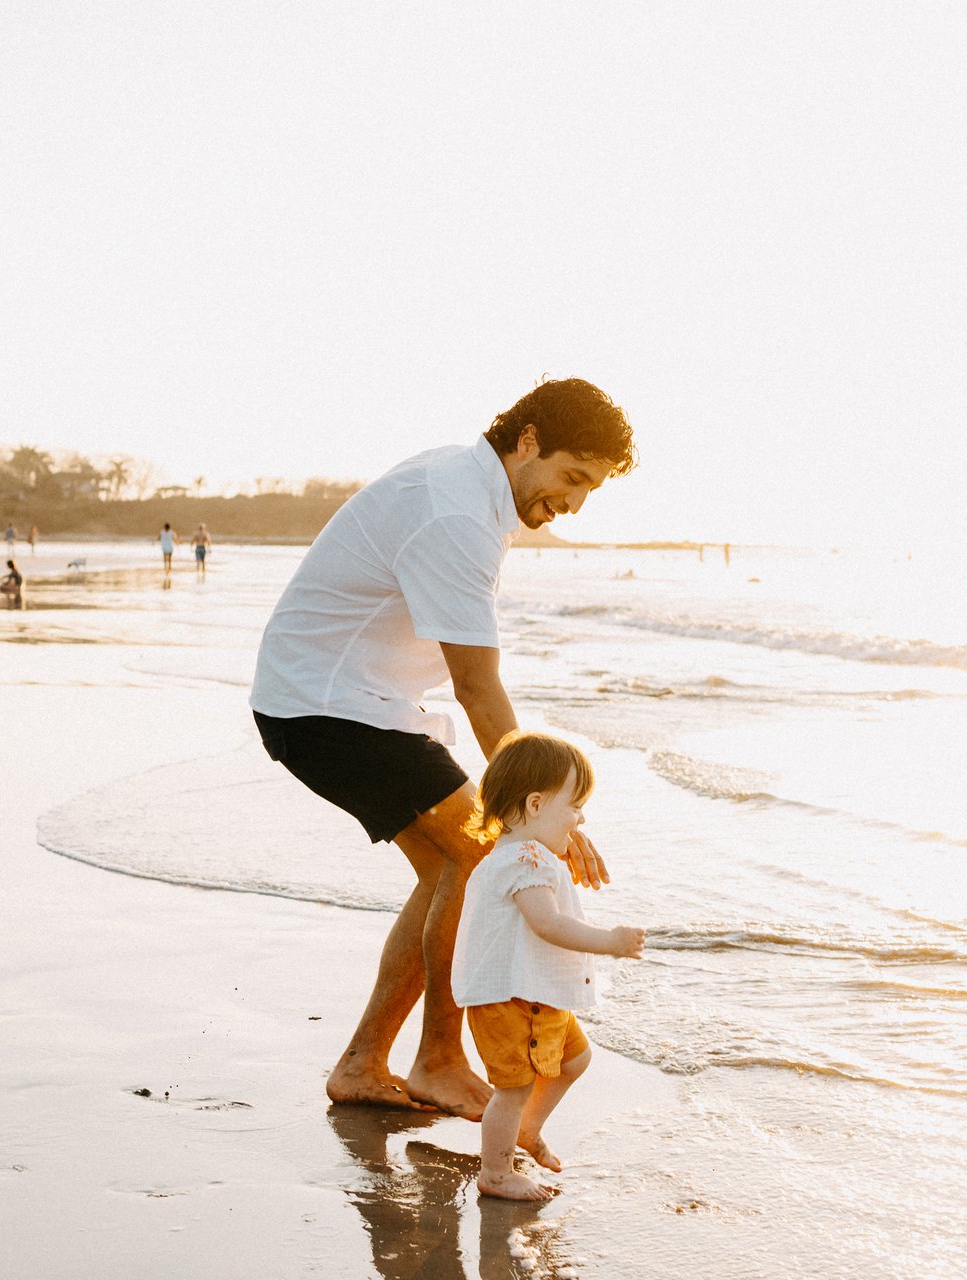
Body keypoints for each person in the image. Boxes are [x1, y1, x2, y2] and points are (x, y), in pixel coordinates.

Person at [249, 376, 637, 1119]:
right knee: (482, 854)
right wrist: (550, 813)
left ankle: (364, 1063)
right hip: (329, 707)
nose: (575, 502)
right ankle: (436, 1062)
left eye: (591, 487)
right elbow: (479, 690)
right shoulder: (456, 514)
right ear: (526, 441)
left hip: (348, 703)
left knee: (446, 871)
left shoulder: (465, 486)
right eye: (572, 476)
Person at [452, 733, 643, 1201]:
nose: (581, 818)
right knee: (512, 1088)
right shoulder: (525, 858)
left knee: (574, 1059)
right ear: (536, 804)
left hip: (534, 992)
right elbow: (548, 924)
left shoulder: (522, 855)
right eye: (575, 806)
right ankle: (495, 1174)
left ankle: (526, 1129)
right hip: (508, 998)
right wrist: (609, 942)